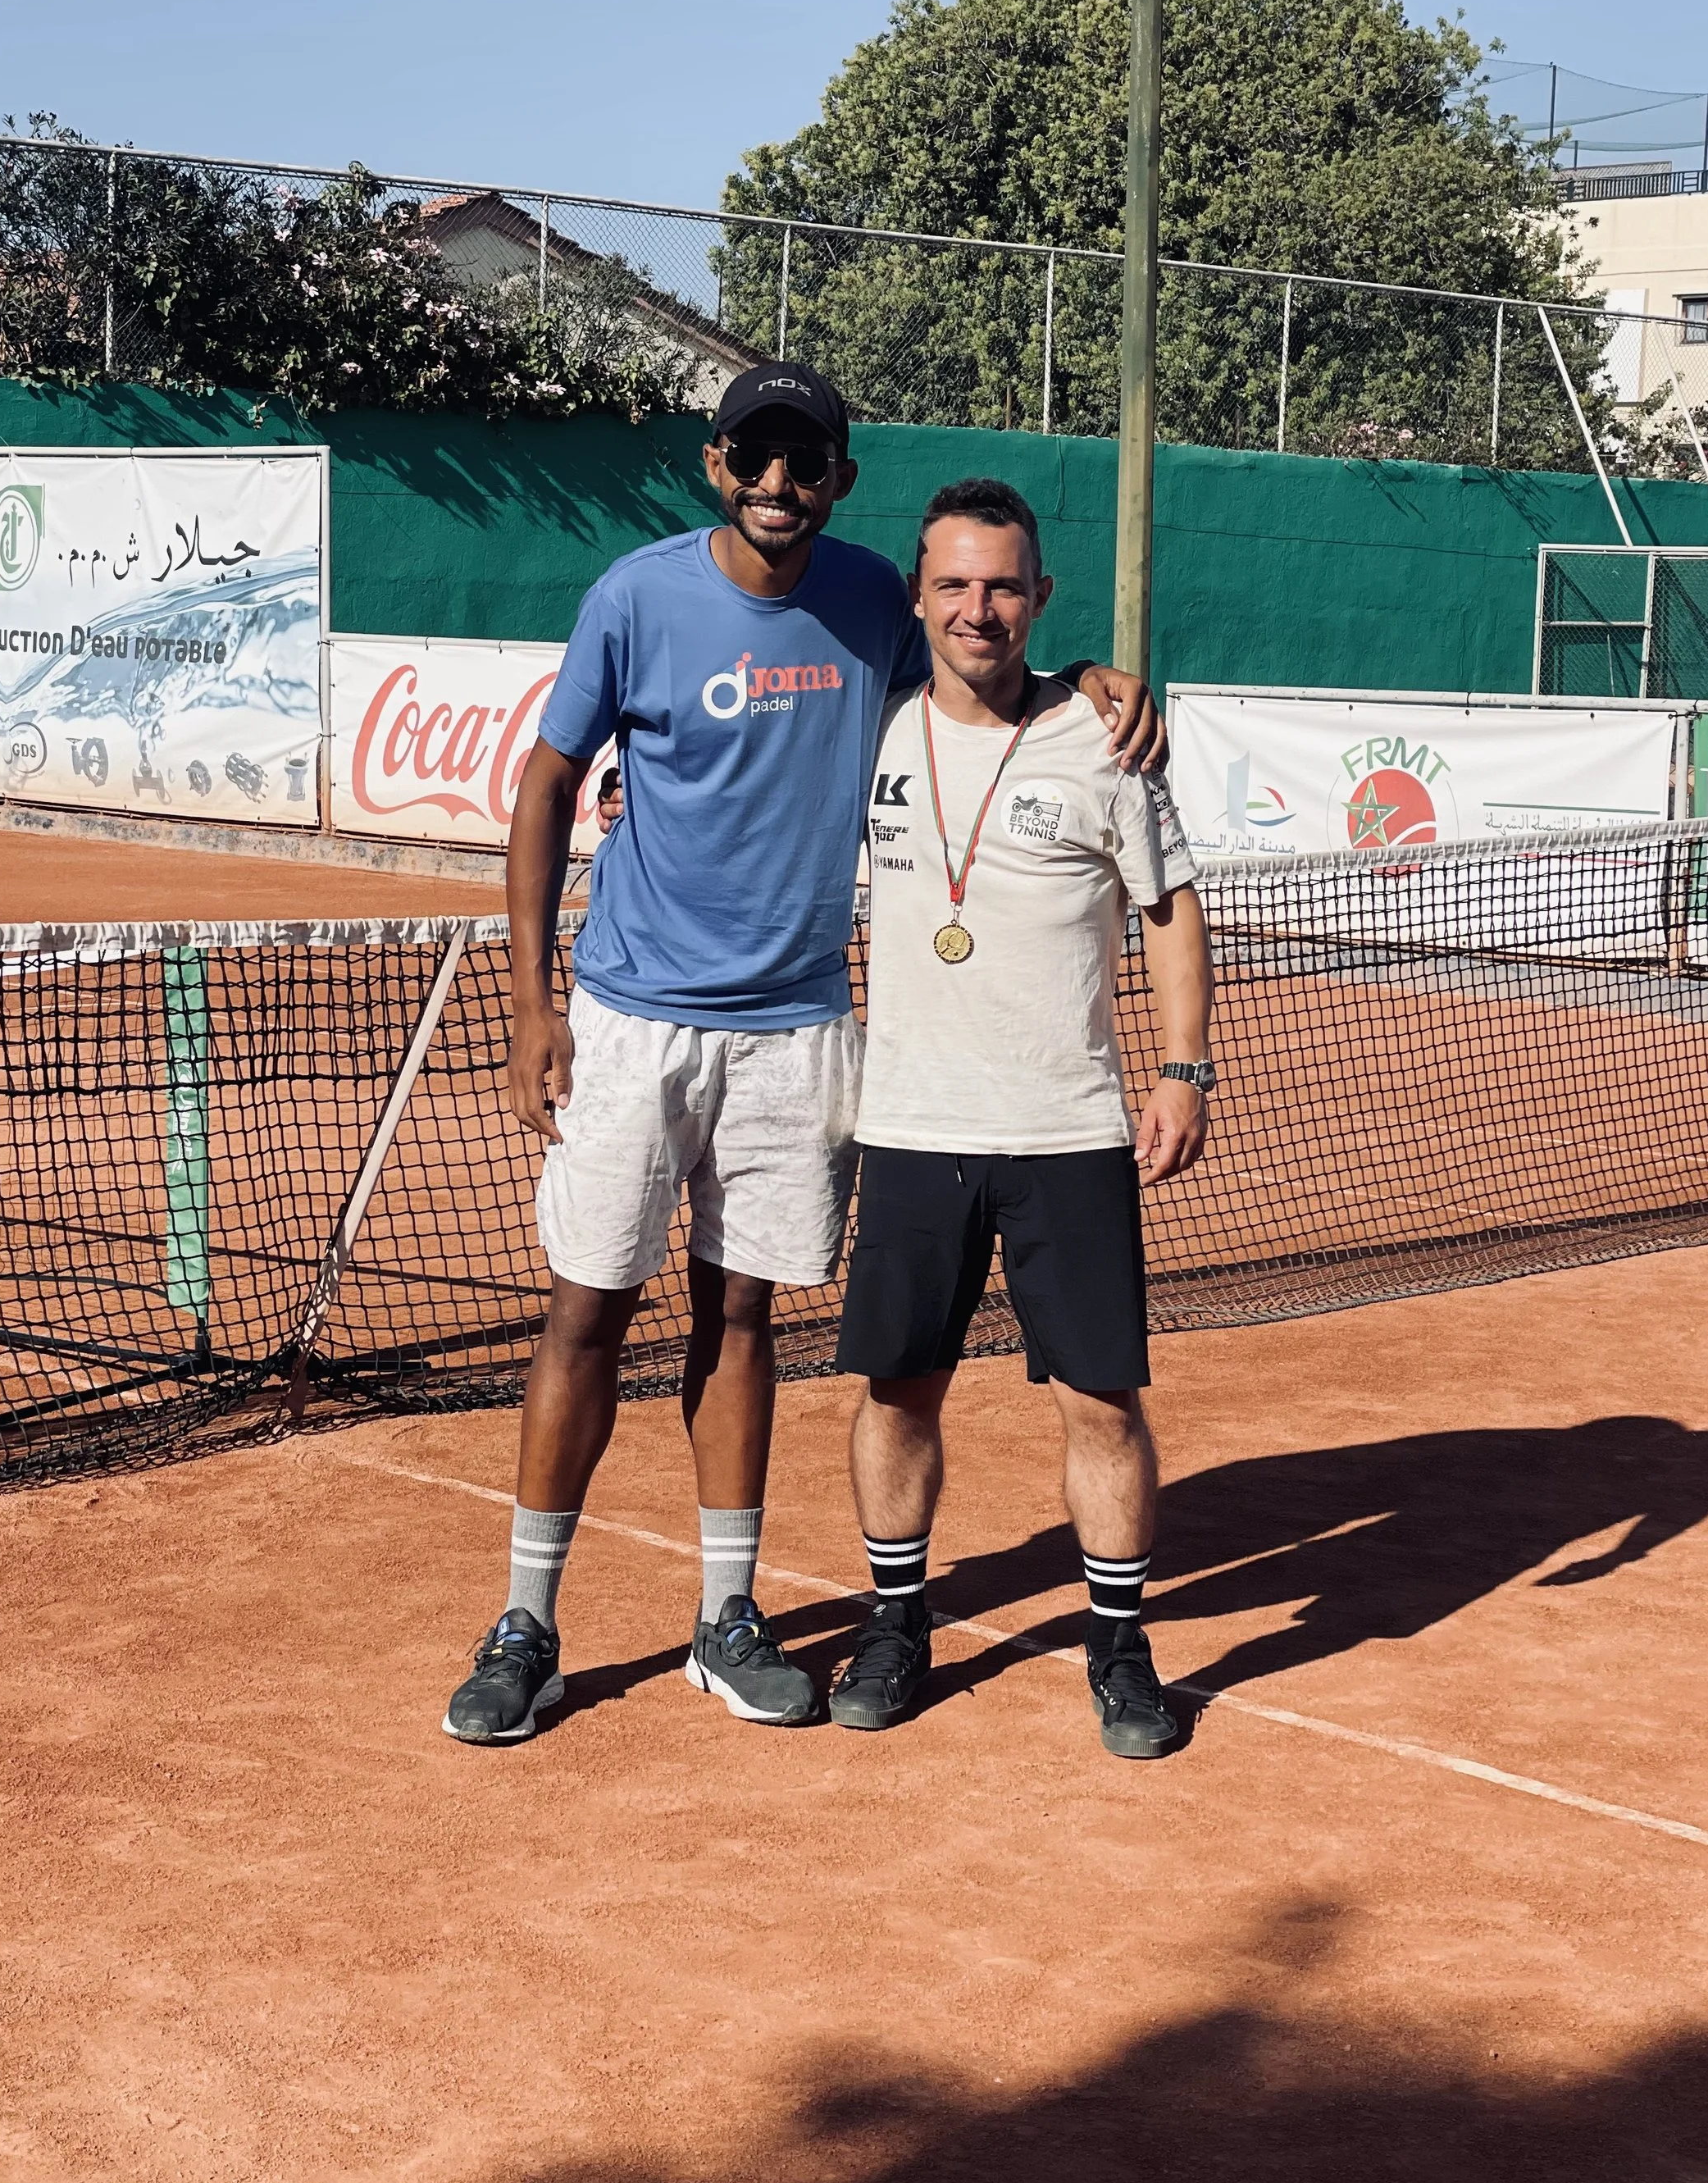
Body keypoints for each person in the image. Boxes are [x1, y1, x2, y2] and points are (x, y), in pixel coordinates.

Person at [443, 367, 1163, 1746]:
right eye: (755, 459)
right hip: (634, 1016)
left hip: (793, 1036)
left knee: (742, 1322)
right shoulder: (636, 596)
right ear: (717, 462)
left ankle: (729, 1618)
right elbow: (545, 786)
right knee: (586, 1312)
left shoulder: (871, 607)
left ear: (838, 481)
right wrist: (533, 1005)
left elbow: (984, 661)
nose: (778, 485)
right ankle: (527, 1624)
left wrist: (1095, 684)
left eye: (807, 465)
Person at [827, 478, 1214, 1759]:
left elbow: (1167, 912)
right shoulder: (867, 732)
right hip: (912, 1125)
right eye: (954, 584)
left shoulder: (1109, 739)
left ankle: (1119, 1648)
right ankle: (896, 1625)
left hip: (1070, 1135)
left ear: (1039, 598)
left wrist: (1184, 1069)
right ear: (918, 595)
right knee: (899, 1390)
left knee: (1102, 1403)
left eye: (1003, 585)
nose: (978, 608)